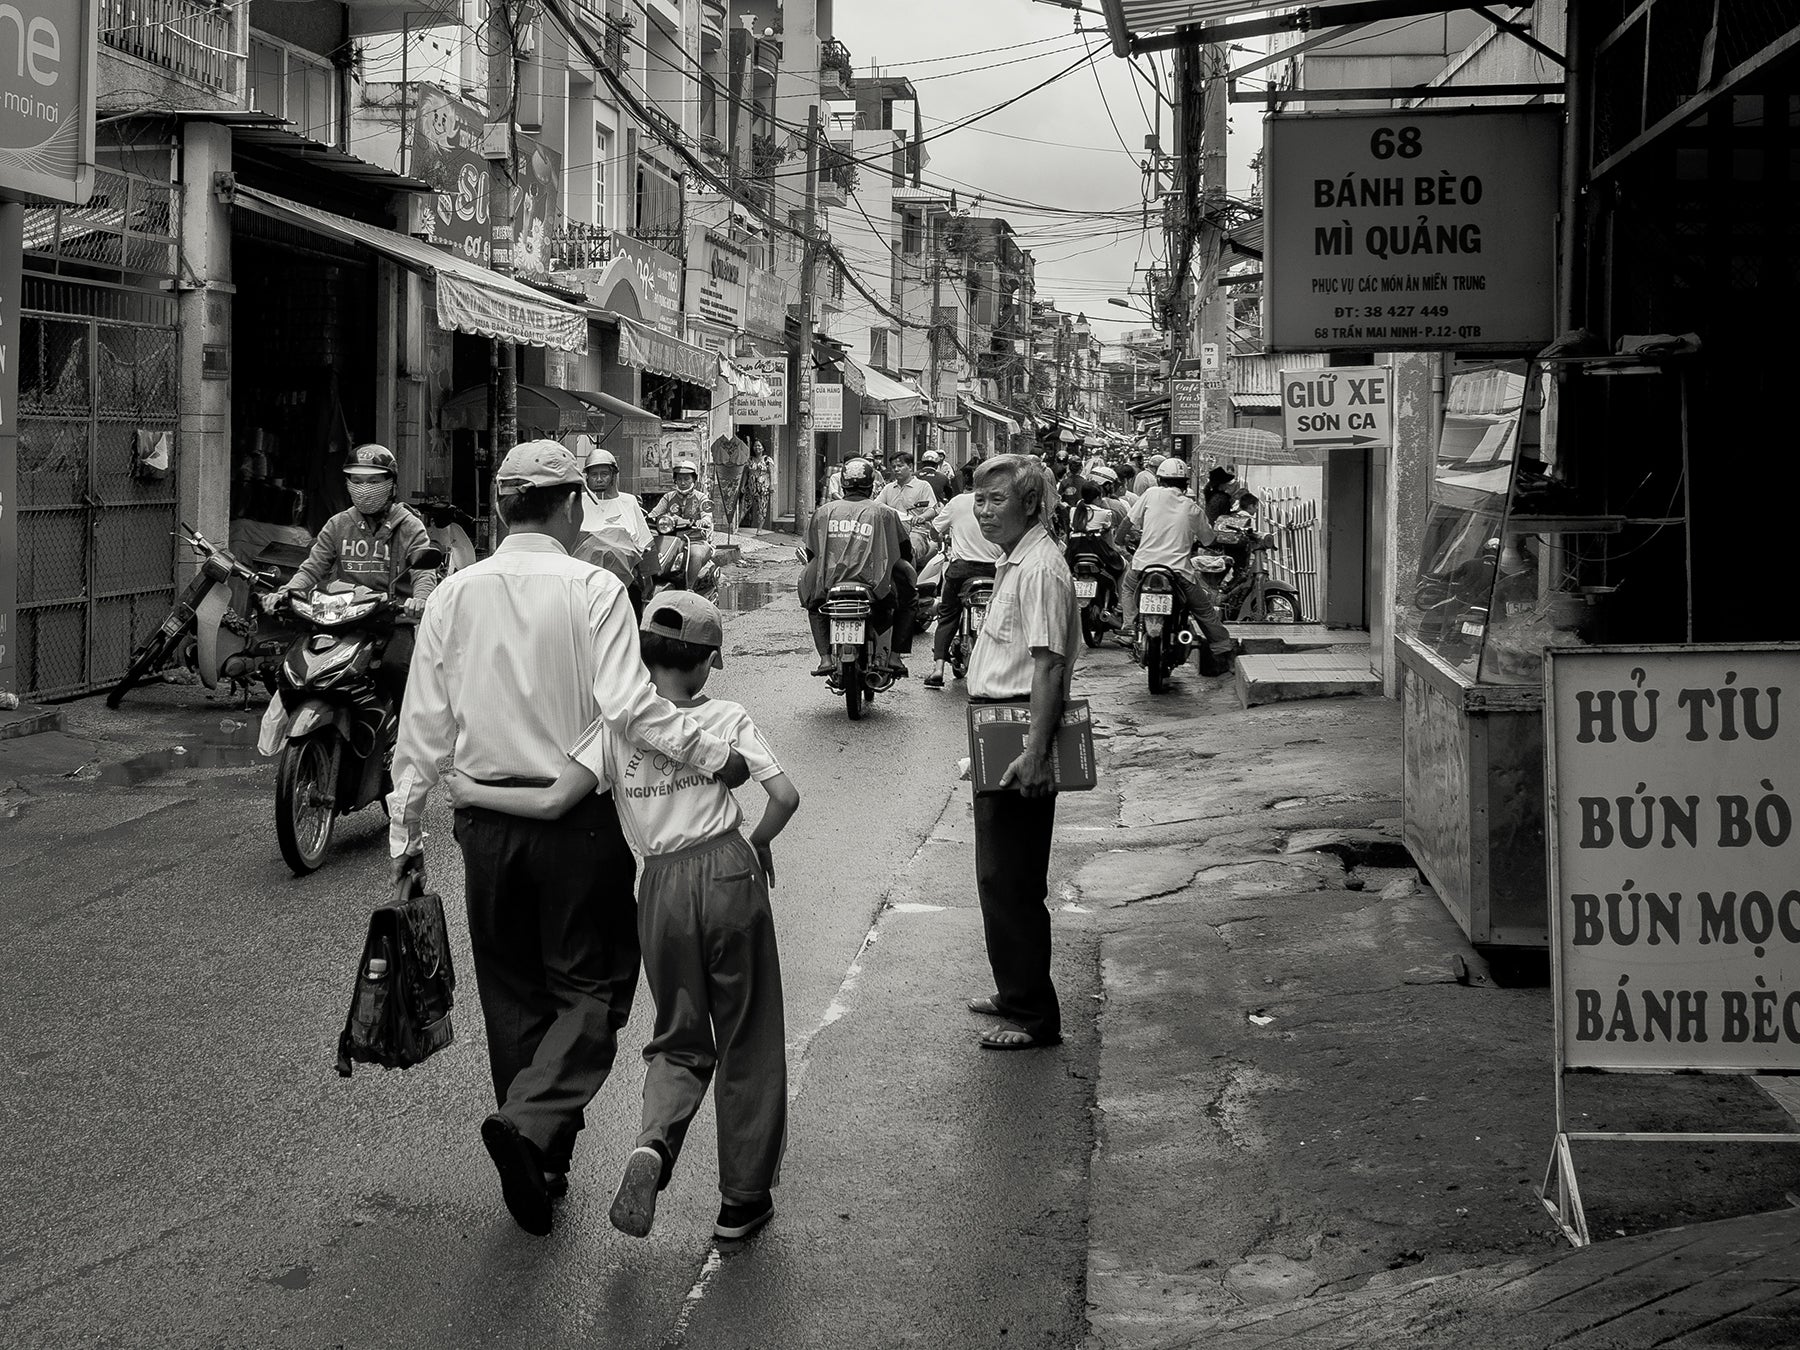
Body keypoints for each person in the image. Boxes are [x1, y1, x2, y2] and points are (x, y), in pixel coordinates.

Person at [386, 440, 751, 1238]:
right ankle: (529, 1129)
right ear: (574, 504)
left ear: (500, 508)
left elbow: (422, 727)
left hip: (485, 827)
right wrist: (713, 753)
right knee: (595, 986)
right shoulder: (594, 587)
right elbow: (631, 708)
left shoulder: (453, 595)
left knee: (513, 992)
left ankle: (542, 1160)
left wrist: (404, 835)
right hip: (576, 825)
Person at [445, 592, 799, 1244]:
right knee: (748, 1033)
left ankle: (653, 1143)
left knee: (680, 1038)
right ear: (709, 662)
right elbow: (784, 796)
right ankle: (742, 1201)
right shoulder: (727, 717)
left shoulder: (613, 729)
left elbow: (553, 802)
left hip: (661, 889)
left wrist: (472, 790)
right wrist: (759, 841)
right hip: (728, 871)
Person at [963, 454, 1080, 1052]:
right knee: (997, 876)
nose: (984, 511)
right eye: (979, 500)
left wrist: (1035, 752)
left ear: (1031, 504)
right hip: (997, 729)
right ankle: (1015, 992)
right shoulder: (1015, 561)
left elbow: (1049, 665)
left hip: (1018, 732)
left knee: (1013, 880)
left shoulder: (1040, 568)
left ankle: (1035, 1016)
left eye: (997, 500)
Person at [264, 443, 436, 706]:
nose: (364, 488)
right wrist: (285, 592)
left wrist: (420, 599)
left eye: (373, 481)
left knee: (395, 667)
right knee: (293, 669)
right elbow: (312, 568)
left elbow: (423, 573)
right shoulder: (338, 524)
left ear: (391, 484)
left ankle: (409, 729)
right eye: (356, 481)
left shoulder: (409, 526)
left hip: (393, 620)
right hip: (341, 617)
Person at [800, 456, 914, 677]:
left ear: (842, 485)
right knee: (908, 600)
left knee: (815, 606)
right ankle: (894, 657)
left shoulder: (823, 512)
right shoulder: (885, 513)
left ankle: (825, 659)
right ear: (871, 485)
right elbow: (904, 550)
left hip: (830, 584)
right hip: (875, 586)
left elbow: (812, 552)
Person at [1119, 457, 1235, 671]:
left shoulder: (1151, 494)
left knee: (1127, 588)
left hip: (1143, 566)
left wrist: (1119, 541)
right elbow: (1209, 539)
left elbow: (1128, 522)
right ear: (1185, 483)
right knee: (1204, 611)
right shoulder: (1192, 508)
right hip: (1179, 571)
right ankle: (1223, 650)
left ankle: (1128, 626)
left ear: (1159, 479)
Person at [922, 468, 1005, 691]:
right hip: (994, 571)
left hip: (961, 570)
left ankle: (938, 669)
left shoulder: (958, 502)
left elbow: (934, 530)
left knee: (948, 615)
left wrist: (941, 535)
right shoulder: (1001, 503)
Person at [576, 444, 652, 613]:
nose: (599, 479)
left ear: (613, 476)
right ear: (587, 477)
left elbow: (645, 544)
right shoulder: (577, 502)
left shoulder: (629, 502)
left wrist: (648, 584)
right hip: (584, 583)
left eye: (604, 474)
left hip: (624, 584)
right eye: (594, 474)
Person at [649, 458, 714, 537]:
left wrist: (702, 521)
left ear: (694, 479)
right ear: (675, 480)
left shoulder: (702, 498)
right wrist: (648, 518)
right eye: (679, 479)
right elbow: (654, 514)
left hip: (694, 538)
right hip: (671, 537)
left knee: (699, 546)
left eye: (686, 479)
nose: (682, 483)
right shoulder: (668, 497)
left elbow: (707, 517)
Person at [743, 438, 773, 530]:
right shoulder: (750, 460)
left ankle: (759, 529)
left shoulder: (767, 459)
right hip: (751, 487)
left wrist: (771, 485)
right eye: (755, 446)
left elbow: (771, 473)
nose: (757, 448)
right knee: (745, 506)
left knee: (762, 508)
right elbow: (746, 473)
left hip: (763, 488)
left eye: (759, 445)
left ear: (763, 448)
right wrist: (743, 485)